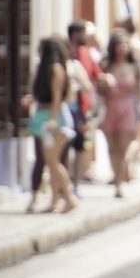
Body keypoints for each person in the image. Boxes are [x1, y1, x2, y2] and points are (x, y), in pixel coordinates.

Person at [28, 37, 77, 213]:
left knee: (53, 162)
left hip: (53, 118)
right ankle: (55, 200)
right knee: (51, 162)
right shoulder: (46, 69)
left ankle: (69, 198)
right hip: (44, 116)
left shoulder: (55, 69)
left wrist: (54, 119)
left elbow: (57, 96)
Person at [98, 29, 140, 197]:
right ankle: (116, 177)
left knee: (123, 148)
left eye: (125, 44)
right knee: (112, 147)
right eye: (120, 44)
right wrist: (104, 83)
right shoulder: (106, 66)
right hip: (110, 107)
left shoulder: (134, 66)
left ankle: (119, 182)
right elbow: (98, 88)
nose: (123, 47)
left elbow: (139, 90)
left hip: (127, 108)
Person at [66, 19, 101, 188]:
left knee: (81, 146)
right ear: (76, 34)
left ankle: (76, 185)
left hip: (82, 108)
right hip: (65, 107)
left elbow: (96, 75)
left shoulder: (87, 54)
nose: (87, 37)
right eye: (84, 34)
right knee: (64, 147)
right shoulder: (63, 53)